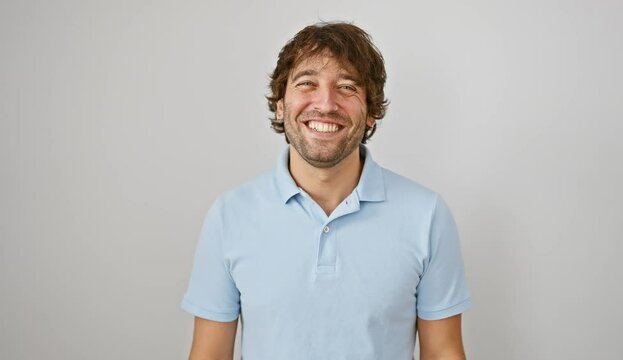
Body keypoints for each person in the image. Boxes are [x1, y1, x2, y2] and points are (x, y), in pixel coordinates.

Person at [181, 21, 472, 360]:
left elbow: (444, 353)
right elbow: (209, 355)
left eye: (347, 87)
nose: (326, 103)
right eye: (307, 83)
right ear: (280, 103)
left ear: (371, 113)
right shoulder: (229, 216)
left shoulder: (427, 216)